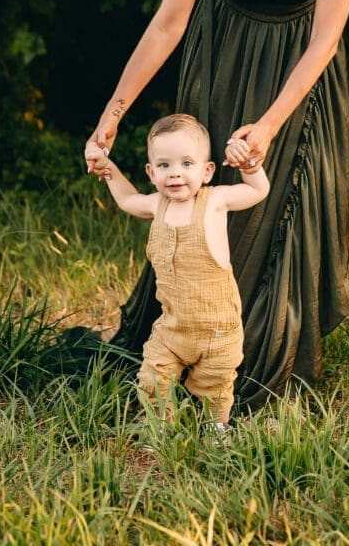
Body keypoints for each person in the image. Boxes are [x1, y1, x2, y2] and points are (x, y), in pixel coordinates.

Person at [87, 0, 349, 413]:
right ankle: (180, 349)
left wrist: (267, 125)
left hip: (301, 84)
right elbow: (168, 21)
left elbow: (325, 39)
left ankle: (267, 357)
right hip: (222, 65)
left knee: (279, 211)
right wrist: (113, 115)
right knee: (206, 214)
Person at [85, 114, 269, 427]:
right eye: (165, 165)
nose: (175, 174)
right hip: (172, 329)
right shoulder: (156, 205)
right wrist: (107, 167)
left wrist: (250, 168)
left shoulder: (213, 202)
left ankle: (217, 429)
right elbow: (129, 199)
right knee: (153, 378)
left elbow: (257, 191)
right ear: (151, 172)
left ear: (207, 170)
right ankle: (162, 431)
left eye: (187, 163)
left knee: (217, 386)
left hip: (218, 330)